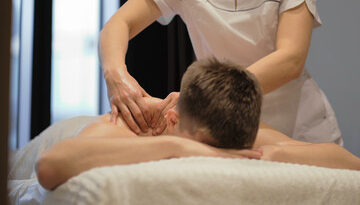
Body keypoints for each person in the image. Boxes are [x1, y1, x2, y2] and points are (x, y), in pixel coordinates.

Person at [99, 0, 343, 145]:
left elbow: (290, 60)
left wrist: (204, 97)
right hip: (218, 125)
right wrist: (116, 76)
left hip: (296, 125)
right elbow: (120, 22)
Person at [36, 59, 360, 191]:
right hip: (59, 133)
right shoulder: (124, 128)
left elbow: (349, 162)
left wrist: (266, 155)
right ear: (172, 120)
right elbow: (49, 165)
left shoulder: (233, 126)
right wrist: (175, 145)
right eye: (201, 147)